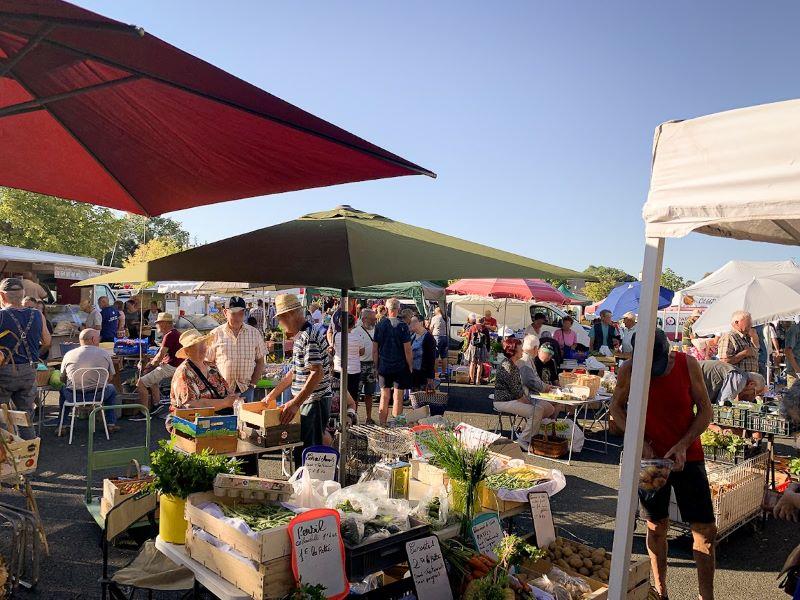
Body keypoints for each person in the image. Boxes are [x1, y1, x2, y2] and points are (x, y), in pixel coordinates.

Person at [610, 329, 715, 600]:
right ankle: (660, 590)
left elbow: (705, 410)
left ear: (667, 352)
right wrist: (639, 439)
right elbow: (616, 408)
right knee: (656, 525)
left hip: (687, 457)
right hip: (651, 460)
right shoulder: (629, 370)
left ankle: (706, 596)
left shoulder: (687, 364)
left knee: (703, 529)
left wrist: (683, 444)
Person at [266, 294, 332, 464]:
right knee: (304, 450)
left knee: (309, 454)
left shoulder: (308, 336)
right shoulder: (301, 335)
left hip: (313, 401)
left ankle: (308, 489)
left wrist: (295, 403)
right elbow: (294, 372)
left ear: (290, 315)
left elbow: (316, 373)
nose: (280, 324)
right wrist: (272, 395)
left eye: (280, 319)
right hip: (308, 401)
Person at [0, 278, 51, 439]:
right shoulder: (37, 314)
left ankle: (6, 456)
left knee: (1, 415)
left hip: (4, 372)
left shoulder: (1, 316)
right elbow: (47, 342)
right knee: (25, 416)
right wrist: (34, 356)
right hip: (29, 371)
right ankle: (29, 455)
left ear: (2, 296)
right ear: (23, 294)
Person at [59, 328, 120, 433]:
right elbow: (110, 377)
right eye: (98, 338)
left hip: (74, 396)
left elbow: (62, 378)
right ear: (93, 339)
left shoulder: (68, 354)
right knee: (111, 388)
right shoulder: (104, 354)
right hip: (98, 395)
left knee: (63, 389)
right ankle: (111, 423)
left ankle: (62, 424)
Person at [206, 296, 266, 402]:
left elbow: (260, 361)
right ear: (225, 313)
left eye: (241, 313)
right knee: (224, 418)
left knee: (246, 418)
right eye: (233, 314)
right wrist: (215, 385)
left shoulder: (254, 333)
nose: (237, 317)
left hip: (246, 388)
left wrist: (253, 384)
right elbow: (207, 363)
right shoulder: (215, 334)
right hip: (222, 391)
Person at [493, 337, 545, 452]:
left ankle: (527, 438)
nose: (522, 351)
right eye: (520, 349)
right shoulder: (508, 366)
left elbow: (518, 391)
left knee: (538, 409)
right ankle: (523, 439)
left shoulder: (512, 364)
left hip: (509, 400)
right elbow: (517, 392)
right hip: (504, 402)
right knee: (537, 410)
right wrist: (528, 402)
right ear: (513, 351)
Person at [170, 329, 237, 411]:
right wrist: (224, 403)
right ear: (187, 351)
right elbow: (189, 405)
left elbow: (227, 391)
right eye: (198, 346)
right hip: (192, 421)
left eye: (204, 344)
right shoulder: (184, 371)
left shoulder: (211, 366)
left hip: (218, 418)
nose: (203, 348)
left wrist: (234, 399)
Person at [373, 298, 413, 425]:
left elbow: (375, 350)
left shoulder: (379, 325)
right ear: (398, 309)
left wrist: (375, 366)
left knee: (384, 397)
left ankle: (382, 425)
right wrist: (410, 365)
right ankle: (397, 425)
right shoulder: (403, 326)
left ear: (386, 308)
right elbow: (408, 350)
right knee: (398, 397)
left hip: (384, 366)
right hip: (400, 366)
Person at [136, 313, 182, 409]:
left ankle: (144, 413)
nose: (156, 325)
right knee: (153, 380)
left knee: (140, 383)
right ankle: (157, 404)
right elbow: (162, 355)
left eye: (158, 323)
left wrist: (148, 366)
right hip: (176, 365)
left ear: (164, 323)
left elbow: (160, 356)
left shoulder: (169, 335)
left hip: (171, 366)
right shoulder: (175, 333)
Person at [332, 312, 364, 412]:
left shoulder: (335, 335)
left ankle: (339, 415)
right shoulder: (358, 337)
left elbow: (334, 347)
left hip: (338, 368)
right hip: (354, 369)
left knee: (338, 394)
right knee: (353, 395)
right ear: (353, 324)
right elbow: (362, 352)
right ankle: (352, 415)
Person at [699, 361, 766, 406]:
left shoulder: (738, 375)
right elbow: (722, 404)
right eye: (755, 393)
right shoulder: (740, 379)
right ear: (751, 384)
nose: (753, 397)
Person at [354, 308, 377, 424]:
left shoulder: (375, 330)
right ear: (364, 319)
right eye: (372, 319)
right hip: (359, 365)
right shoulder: (355, 331)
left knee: (370, 393)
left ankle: (369, 417)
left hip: (372, 365)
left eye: (375, 319)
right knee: (356, 394)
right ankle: (354, 417)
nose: (374, 321)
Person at [717, 311, 759, 375]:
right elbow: (724, 362)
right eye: (748, 322)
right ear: (736, 322)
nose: (750, 324)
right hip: (737, 379)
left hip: (748, 379)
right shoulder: (729, 336)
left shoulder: (746, 337)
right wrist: (744, 353)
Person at [410, 315, 436, 391]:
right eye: (410, 322)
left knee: (421, 397)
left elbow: (431, 358)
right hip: (413, 372)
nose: (411, 324)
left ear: (421, 323)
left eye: (414, 322)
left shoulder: (428, 337)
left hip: (423, 373)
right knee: (414, 396)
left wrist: (430, 377)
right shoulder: (413, 335)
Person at [464, 317, 491, 385]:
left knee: (472, 363)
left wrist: (466, 347)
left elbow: (469, 338)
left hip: (473, 347)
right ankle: (477, 380)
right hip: (481, 347)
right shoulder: (485, 329)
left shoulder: (472, 327)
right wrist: (488, 349)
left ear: (476, 321)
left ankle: (472, 380)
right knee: (480, 364)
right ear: (483, 321)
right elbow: (488, 340)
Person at [429, 306, 448, 376]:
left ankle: (436, 373)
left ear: (437, 311)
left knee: (435, 356)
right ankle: (444, 372)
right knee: (444, 356)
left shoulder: (435, 318)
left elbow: (431, 328)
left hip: (437, 337)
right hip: (445, 337)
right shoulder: (447, 318)